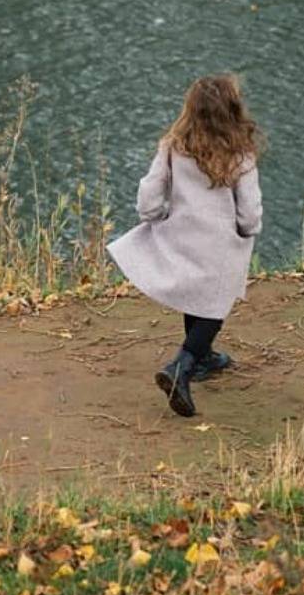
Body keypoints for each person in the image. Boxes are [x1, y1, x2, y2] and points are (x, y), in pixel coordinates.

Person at [107, 75, 264, 418]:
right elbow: (250, 212)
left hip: (182, 237)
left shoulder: (174, 146)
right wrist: (247, 231)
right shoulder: (240, 154)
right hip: (219, 244)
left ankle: (204, 357)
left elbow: (149, 197)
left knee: (196, 291)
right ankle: (183, 366)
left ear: (190, 110)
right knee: (216, 305)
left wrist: (157, 217)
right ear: (233, 110)